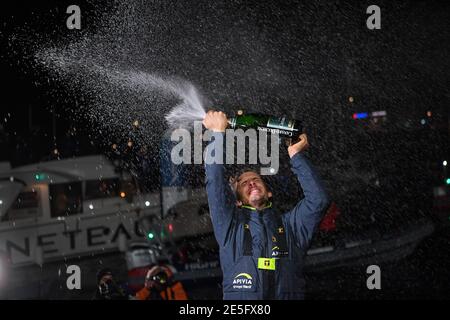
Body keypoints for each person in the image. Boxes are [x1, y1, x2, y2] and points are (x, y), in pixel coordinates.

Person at [202, 110, 329, 300]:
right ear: (237, 201)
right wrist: (218, 135)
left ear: (269, 192)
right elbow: (215, 182)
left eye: (255, 180)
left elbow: (319, 200)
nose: (251, 183)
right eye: (244, 184)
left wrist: (296, 155)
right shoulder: (229, 227)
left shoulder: (290, 227)